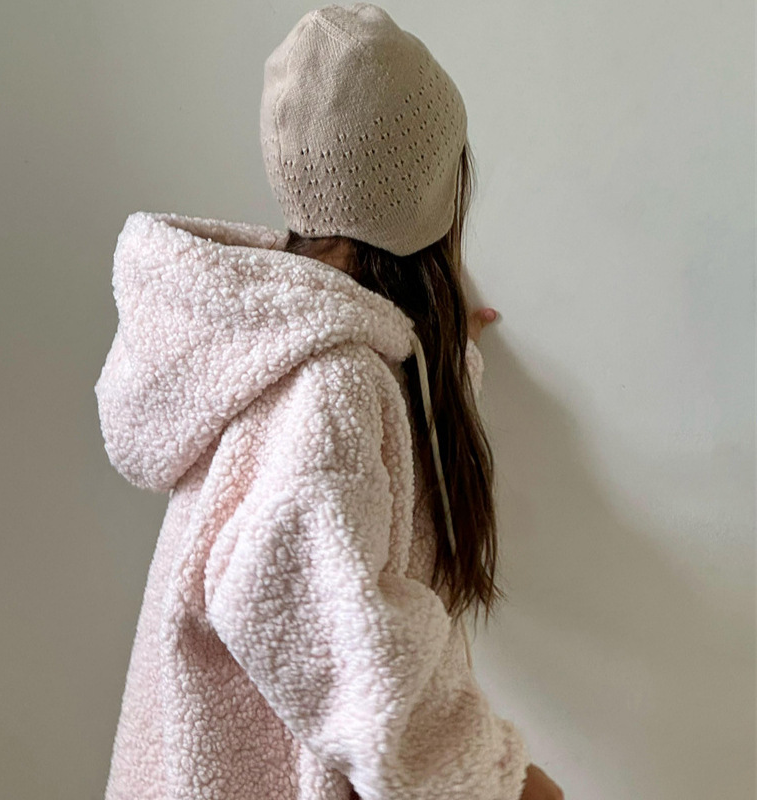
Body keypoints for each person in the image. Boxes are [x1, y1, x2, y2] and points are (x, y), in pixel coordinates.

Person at [94, 3, 563, 799]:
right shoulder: (333, 381)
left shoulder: (287, 341)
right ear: (434, 190)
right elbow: (310, 612)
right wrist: (502, 783)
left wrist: (443, 356)